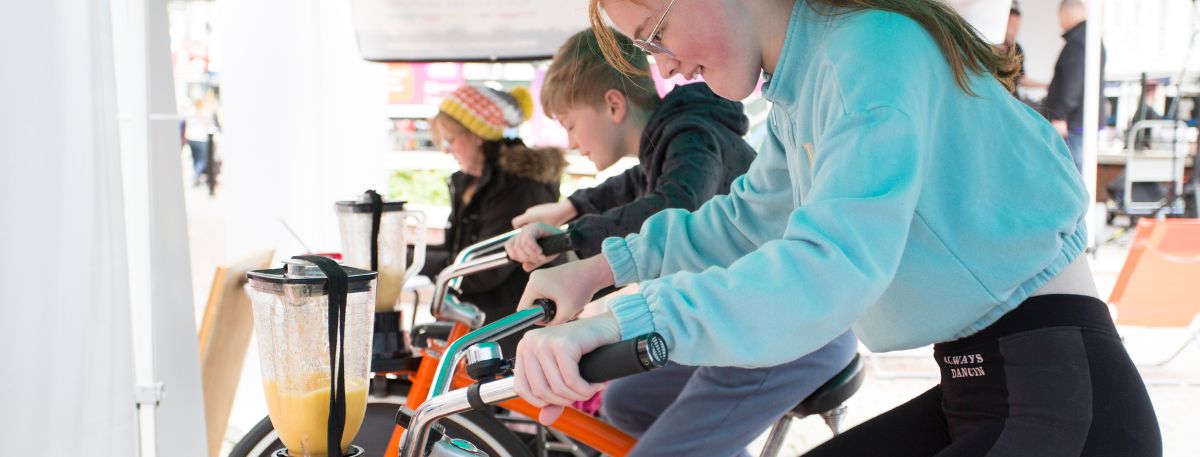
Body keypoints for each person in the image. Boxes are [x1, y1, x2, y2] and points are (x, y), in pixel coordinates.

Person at [511, 1, 1161, 456]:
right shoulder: (810, 83)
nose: (666, 67)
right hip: (987, 388)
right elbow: (746, 220)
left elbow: (829, 265)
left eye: (657, 33)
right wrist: (599, 270)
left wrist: (626, 320)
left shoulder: (869, 50)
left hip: (1061, 400)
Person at [503, 29, 855, 457]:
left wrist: (576, 244)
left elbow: (675, 204)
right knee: (627, 402)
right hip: (732, 315)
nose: (571, 142)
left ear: (613, 104)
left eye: (569, 125)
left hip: (784, 325)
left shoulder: (691, 136)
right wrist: (569, 209)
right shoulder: (674, 139)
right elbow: (631, 184)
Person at [418, 84, 566, 344]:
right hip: (478, 319)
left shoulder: (518, 186)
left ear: (477, 135)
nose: (445, 149)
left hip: (515, 327)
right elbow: (456, 251)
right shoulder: (470, 182)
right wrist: (410, 256)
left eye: (450, 139)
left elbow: (483, 270)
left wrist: (415, 262)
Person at [1044, 0, 1106, 173]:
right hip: (1081, 123)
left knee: (1071, 174)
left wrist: (1060, 116)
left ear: (1063, 15)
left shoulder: (1077, 43)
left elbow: (1072, 83)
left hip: (1073, 125)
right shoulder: (1092, 40)